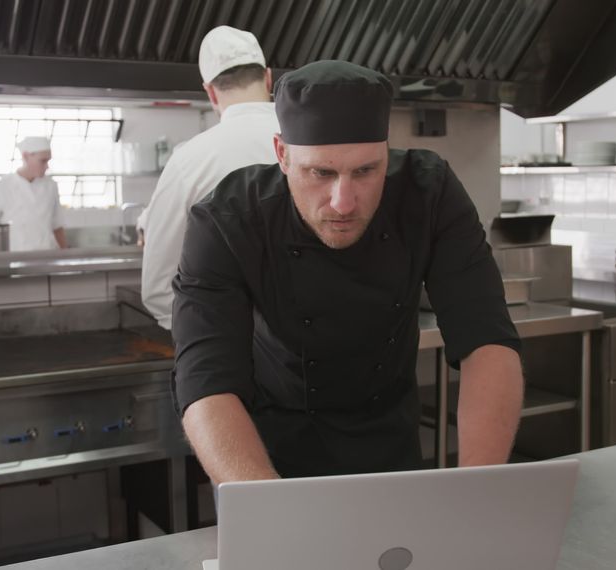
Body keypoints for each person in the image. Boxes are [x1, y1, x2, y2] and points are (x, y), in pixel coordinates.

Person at [171, 60, 525, 484]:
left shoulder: (428, 193)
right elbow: (206, 378)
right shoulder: (229, 218)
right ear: (282, 154)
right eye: (320, 173)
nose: (343, 202)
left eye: (365, 171)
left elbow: (486, 338)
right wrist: (265, 508)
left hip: (392, 449)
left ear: (386, 152)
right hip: (267, 458)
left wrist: (479, 492)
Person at [140, 25, 279, 329]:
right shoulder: (312, 145)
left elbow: (158, 288)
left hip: (228, 351)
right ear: (268, 77)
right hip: (326, 348)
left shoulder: (189, 161)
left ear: (210, 90)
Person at [0, 136, 67, 251]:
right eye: (43, 161)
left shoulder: (51, 186)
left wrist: (66, 254)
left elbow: (57, 226)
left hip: (48, 254)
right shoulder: (0, 187)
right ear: (25, 156)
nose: (47, 166)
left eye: (48, 161)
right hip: (17, 257)